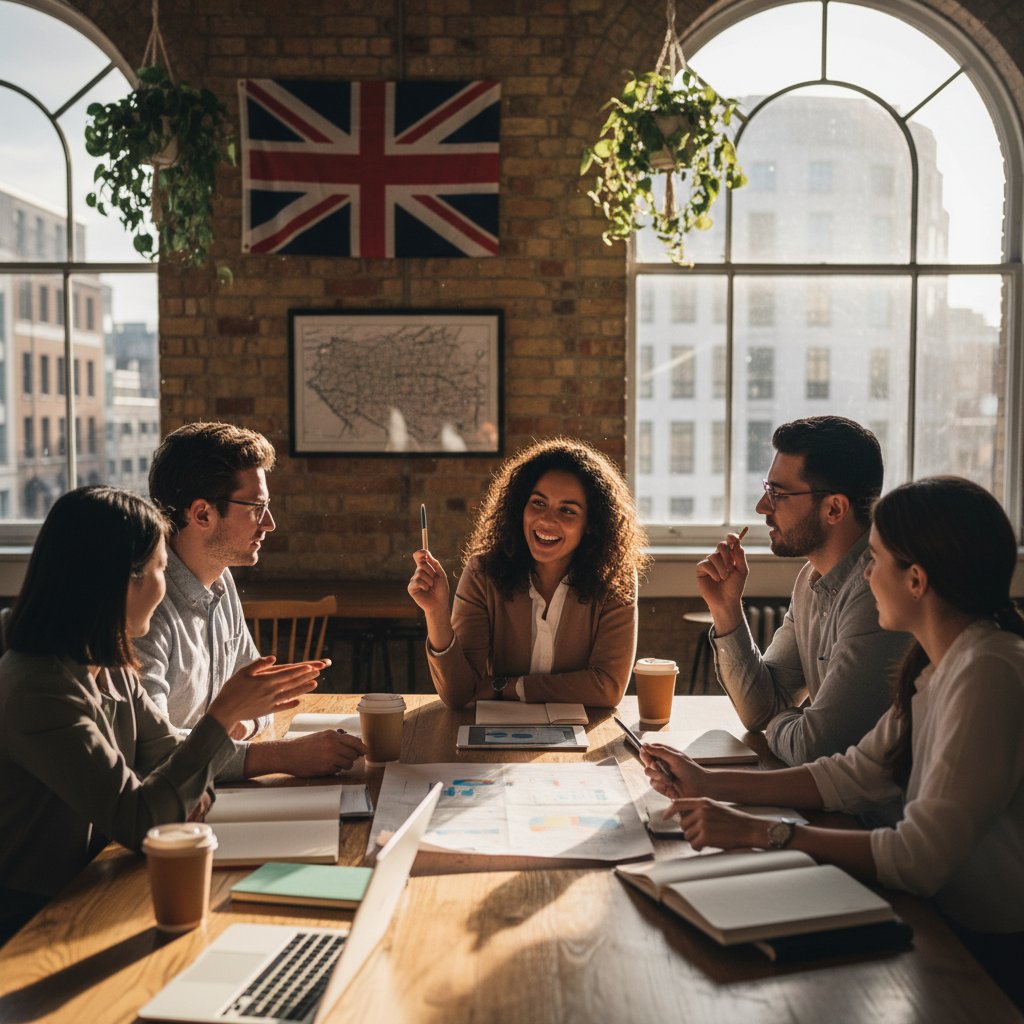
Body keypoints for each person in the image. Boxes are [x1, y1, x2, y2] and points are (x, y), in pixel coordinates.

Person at [643, 476, 1024, 1009]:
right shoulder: (938, 663)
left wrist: (761, 833)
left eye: (874, 560)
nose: (864, 576)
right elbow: (854, 773)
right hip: (937, 919)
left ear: (916, 580)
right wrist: (708, 781)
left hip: (985, 954)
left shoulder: (987, 669)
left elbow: (918, 856)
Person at [0, 487, 321, 945]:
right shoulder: (40, 689)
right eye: (161, 569)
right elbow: (143, 819)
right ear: (120, 581)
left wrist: (185, 782)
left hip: (99, 879)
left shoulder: (108, 665)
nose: (165, 585)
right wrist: (223, 714)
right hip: (35, 918)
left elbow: (174, 763)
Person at [137, 422, 366, 779]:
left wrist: (230, 731)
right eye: (256, 507)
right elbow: (153, 755)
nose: (270, 523)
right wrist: (284, 757)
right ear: (202, 514)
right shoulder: (144, 608)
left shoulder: (220, 579)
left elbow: (261, 701)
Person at [698, 416, 910, 777]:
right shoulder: (810, 580)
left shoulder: (878, 593)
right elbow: (760, 711)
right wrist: (726, 608)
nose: (762, 507)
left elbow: (817, 747)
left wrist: (784, 723)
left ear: (834, 509)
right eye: (768, 489)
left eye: (778, 494)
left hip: (879, 821)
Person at [409, 437, 647, 708]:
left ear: (591, 524)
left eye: (567, 510)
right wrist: (435, 612)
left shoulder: (615, 579)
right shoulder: (482, 574)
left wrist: (506, 686)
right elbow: (459, 694)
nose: (546, 520)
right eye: (538, 503)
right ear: (519, 507)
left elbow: (607, 688)